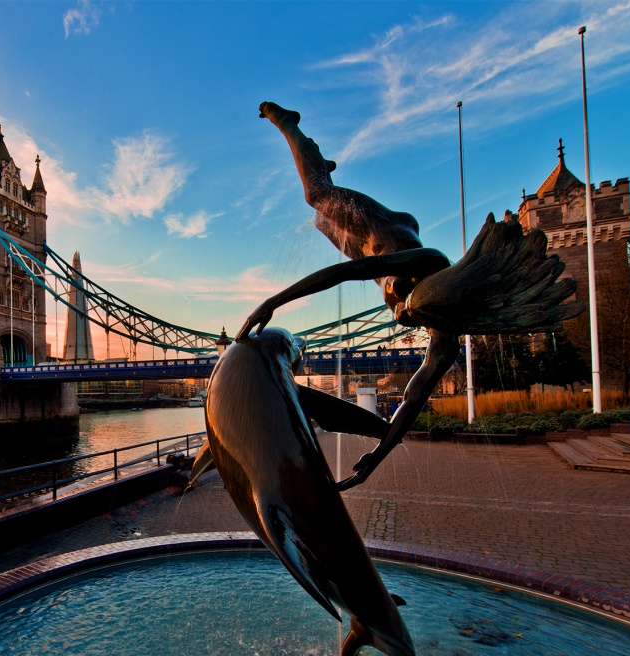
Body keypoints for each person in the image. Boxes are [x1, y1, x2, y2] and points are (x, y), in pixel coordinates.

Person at [239, 102, 582, 489]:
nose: (400, 311)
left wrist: (378, 455)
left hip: (364, 251)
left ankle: (319, 161)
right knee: (318, 195)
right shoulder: (427, 259)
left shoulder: (445, 332)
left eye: (410, 315)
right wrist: (273, 302)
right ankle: (289, 123)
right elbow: (345, 273)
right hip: (381, 232)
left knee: (321, 220)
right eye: (405, 296)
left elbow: (413, 397)